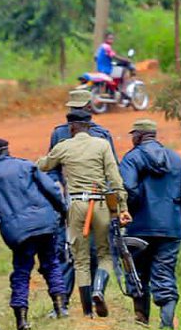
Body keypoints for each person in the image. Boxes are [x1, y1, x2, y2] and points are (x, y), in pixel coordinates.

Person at [0, 138, 68, 330]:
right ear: (7, 151)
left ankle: (22, 322)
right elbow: (52, 189)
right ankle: (60, 307)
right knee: (51, 262)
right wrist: (63, 211)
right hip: (44, 224)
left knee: (21, 272)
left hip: (17, 233)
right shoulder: (26, 166)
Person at [37, 119, 130, 317]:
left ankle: (87, 312)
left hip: (77, 205)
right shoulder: (102, 145)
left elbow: (44, 166)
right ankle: (98, 289)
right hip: (101, 204)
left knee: (80, 260)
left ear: (72, 128)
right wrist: (122, 207)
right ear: (89, 128)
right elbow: (114, 178)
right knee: (105, 254)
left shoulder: (64, 146)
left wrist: (39, 160)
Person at [119, 119, 181, 329]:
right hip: (170, 227)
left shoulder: (132, 158)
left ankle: (141, 320)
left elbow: (128, 189)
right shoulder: (175, 159)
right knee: (165, 272)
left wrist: (133, 209)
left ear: (139, 136)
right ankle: (166, 324)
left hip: (139, 226)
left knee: (137, 272)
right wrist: (176, 219)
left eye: (134, 135)